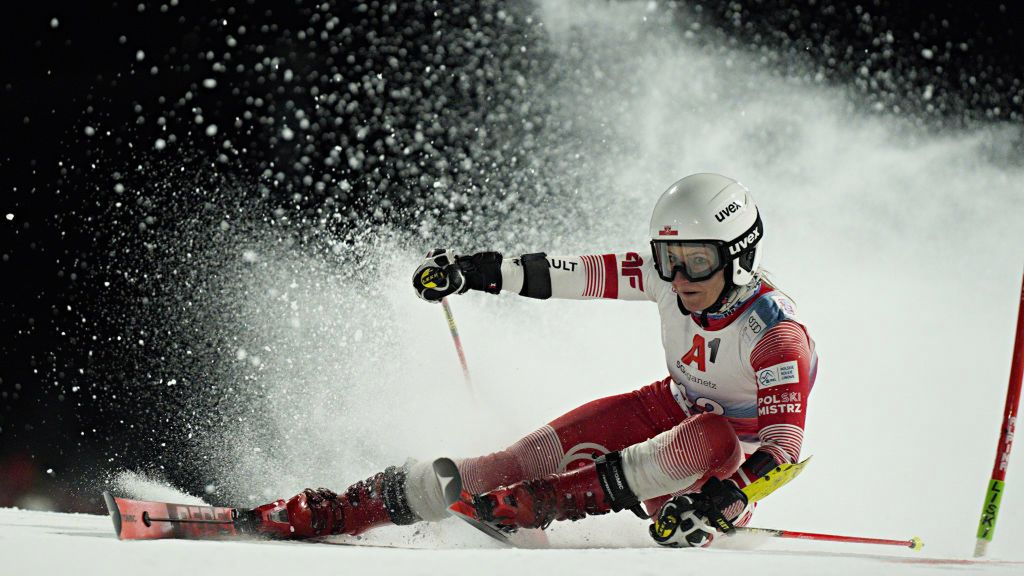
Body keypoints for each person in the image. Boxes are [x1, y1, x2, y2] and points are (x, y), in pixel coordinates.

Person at [249, 173, 817, 547]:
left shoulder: (774, 335)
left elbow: (783, 451)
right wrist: (473, 271)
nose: (677, 277)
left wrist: (725, 497)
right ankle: (346, 509)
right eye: (668, 258)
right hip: (666, 414)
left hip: (716, 480)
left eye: (695, 262)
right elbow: (569, 275)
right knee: (516, 460)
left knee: (713, 433)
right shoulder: (664, 277)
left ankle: (545, 503)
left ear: (738, 258)